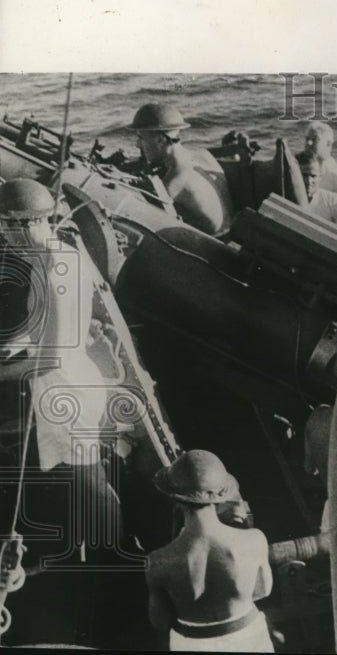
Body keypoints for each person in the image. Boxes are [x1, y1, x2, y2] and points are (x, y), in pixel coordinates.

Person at [0, 179, 124, 564]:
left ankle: (114, 553)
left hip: (64, 392)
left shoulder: (54, 274)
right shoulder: (57, 254)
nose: (3, 234)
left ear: (27, 224)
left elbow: (50, 357)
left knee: (89, 482)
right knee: (76, 477)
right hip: (63, 380)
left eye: (6, 225)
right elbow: (41, 330)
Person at [145, 450, 273, 652]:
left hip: (192, 643)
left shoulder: (158, 561)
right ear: (222, 495)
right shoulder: (254, 540)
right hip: (249, 638)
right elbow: (263, 591)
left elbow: (160, 621)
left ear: (175, 498)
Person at [131, 103, 234, 237]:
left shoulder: (177, 177)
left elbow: (140, 211)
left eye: (141, 137)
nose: (137, 144)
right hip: (229, 230)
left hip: (216, 247)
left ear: (160, 140)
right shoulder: (202, 154)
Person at [297, 150, 337, 230]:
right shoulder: (285, 199)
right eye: (304, 175)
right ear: (295, 175)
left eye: (313, 176)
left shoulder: (334, 201)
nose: (309, 181)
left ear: (320, 176)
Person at [297, 120, 337, 196]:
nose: (309, 143)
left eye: (314, 139)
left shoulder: (333, 173)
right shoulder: (297, 162)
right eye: (307, 139)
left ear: (328, 144)